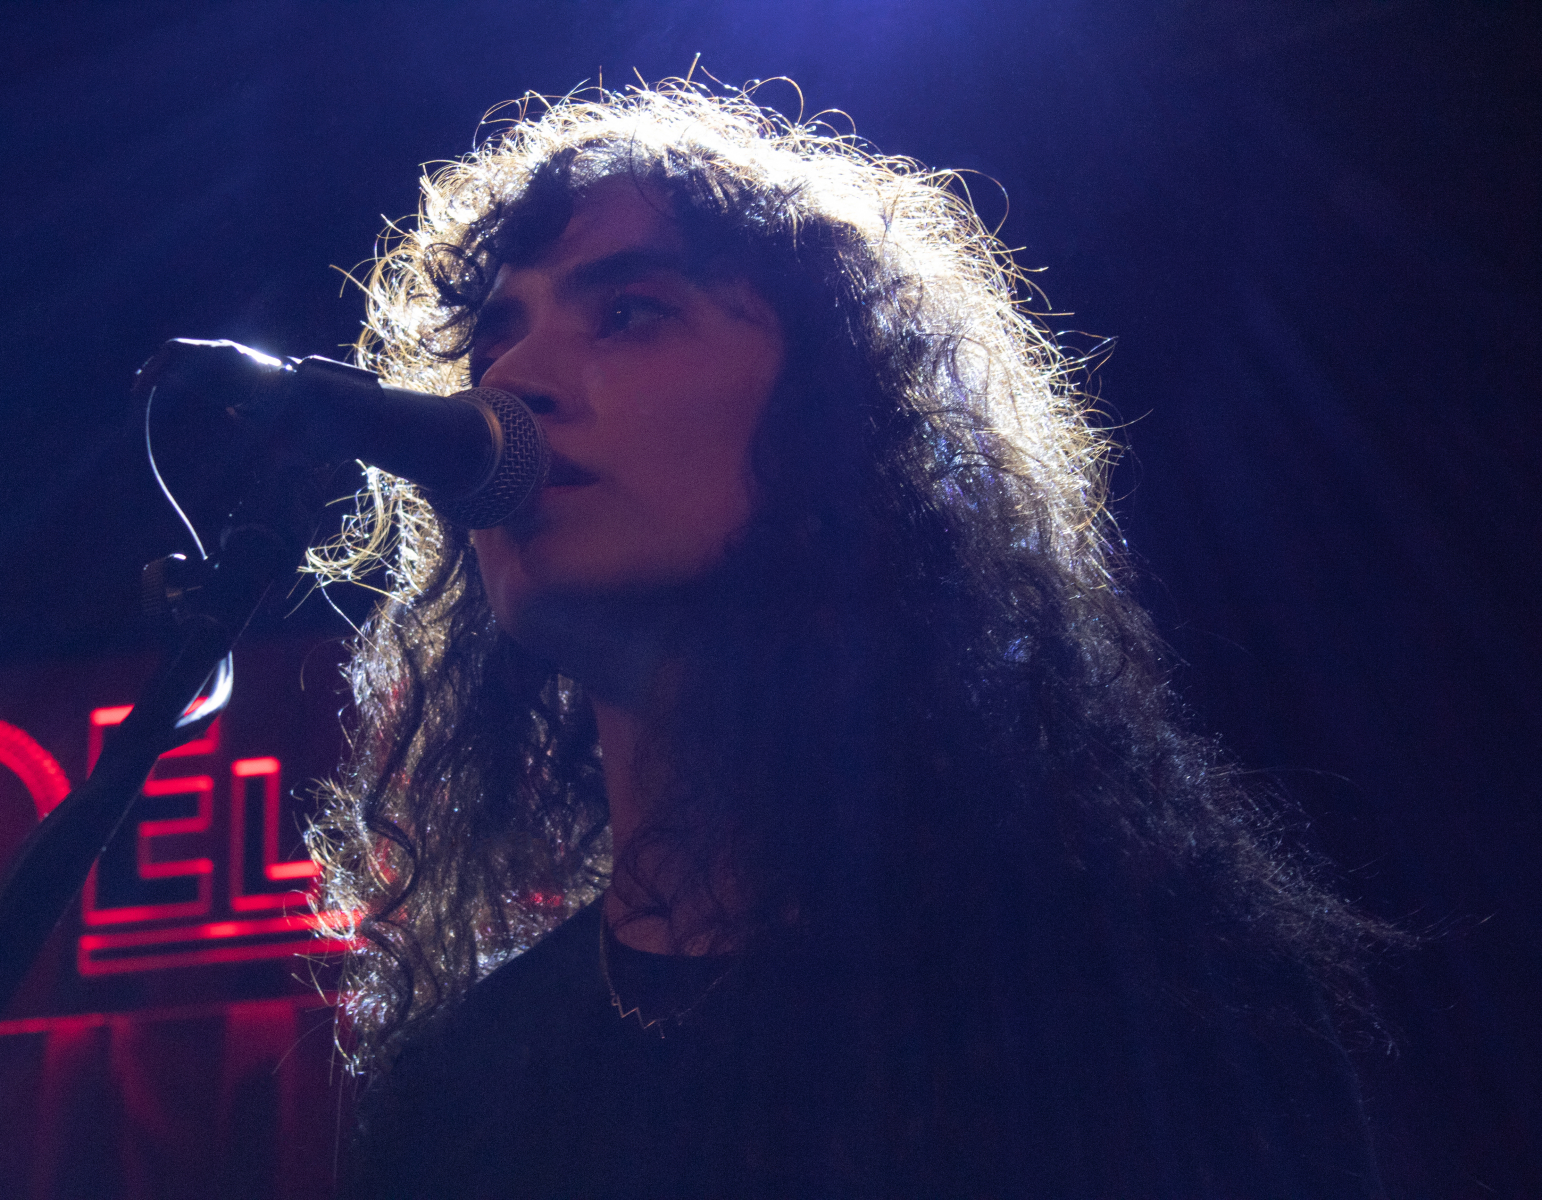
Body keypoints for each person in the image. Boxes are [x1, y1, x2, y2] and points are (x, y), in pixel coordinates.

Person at [308, 81, 1394, 1198]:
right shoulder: (463, 1088)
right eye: (493, 343)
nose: (508, 386)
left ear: (841, 416)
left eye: (629, 311)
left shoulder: (1138, 1000)